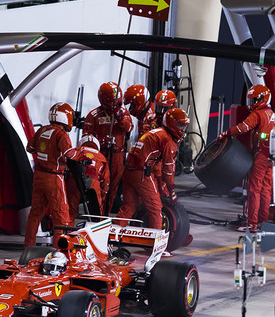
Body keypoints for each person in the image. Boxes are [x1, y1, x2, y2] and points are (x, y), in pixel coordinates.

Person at [117, 108, 187, 229]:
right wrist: (172, 192)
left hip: (128, 171)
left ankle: (111, 237)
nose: (182, 129)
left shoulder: (157, 132)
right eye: (180, 125)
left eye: (184, 126)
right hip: (141, 173)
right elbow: (168, 170)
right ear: (171, 123)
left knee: (128, 207)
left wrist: (160, 184)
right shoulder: (168, 141)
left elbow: (156, 164)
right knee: (156, 209)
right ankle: (156, 244)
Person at [219, 84, 275, 232]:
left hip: (260, 155)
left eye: (254, 100)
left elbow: (242, 128)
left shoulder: (257, 115)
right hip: (271, 156)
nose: (252, 104)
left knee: (253, 190)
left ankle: (252, 224)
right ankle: (263, 220)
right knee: (266, 189)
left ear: (262, 99)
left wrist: (226, 133)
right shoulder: (271, 113)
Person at [24, 102, 74, 249]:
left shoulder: (42, 130)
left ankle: (28, 248)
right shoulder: (61, 135)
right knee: (61, 217)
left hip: (39, 177)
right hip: (54, 178)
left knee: (35, 215)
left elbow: (30, 147)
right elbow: (69, 155)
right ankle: (60, 252)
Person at [83, 82, 133, 211]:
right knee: (100, 185)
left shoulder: (124, 113)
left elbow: (128, 127)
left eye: (117, 102)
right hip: (101, 156)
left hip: (117, 156)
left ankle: (107, 212)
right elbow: (86, 137)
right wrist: (99, 141)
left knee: (114, 187)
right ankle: (98, 212)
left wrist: (119, 116)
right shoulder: (94, 115)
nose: (115, 105)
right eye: (112, 102)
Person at [64, 134, 109, 221]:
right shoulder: (101, 157)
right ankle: (96, 233)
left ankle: (68, 232)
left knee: (70, 212)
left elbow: (66, 167)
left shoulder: (75, 151)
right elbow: (106, 181)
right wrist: (102, 196)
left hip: (75, 179)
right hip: (94, 182)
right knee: (96, 214)